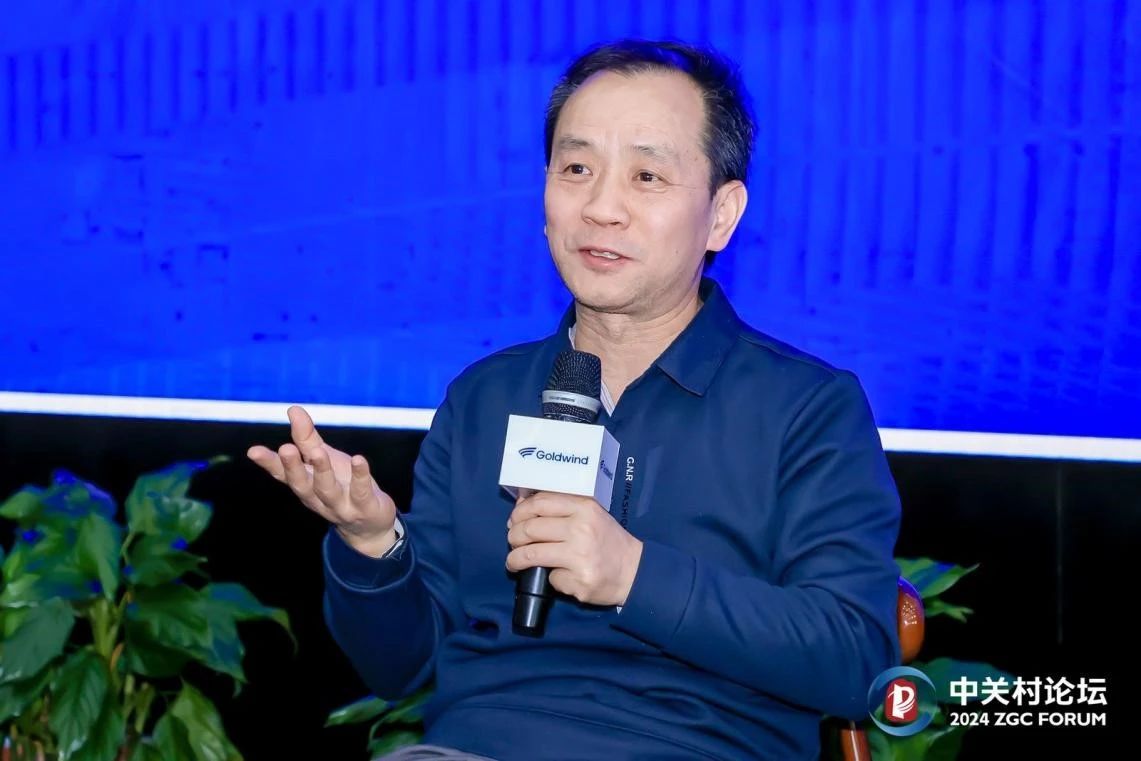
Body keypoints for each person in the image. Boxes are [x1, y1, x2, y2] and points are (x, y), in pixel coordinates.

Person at [248, 39, 902, 761]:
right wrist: (373, 544)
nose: (601, 208)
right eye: (576, 169)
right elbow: (401, 665)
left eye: (646, 176)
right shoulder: (484, 396)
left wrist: (632, 575)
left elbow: (855, 661)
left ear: (721, 214)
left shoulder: (808, 408)